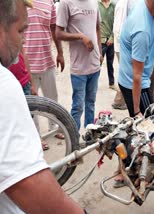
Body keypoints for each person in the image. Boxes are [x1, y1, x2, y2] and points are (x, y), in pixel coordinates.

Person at [0, 0, 84, 213]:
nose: (22, 42)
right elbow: (30, 184)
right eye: (20, 31)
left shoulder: (49, 5)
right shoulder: (3, 84)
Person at [118, 0, 154, 117]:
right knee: (151, 127)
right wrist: (136, 111)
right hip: (135, 85)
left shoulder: (146, 7)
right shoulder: (142, 29)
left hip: (132, 79)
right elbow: (137, 76)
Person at [56, 0, 102, 130]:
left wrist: (99, 51)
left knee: (91, 104)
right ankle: (74, 140)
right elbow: (58, 33)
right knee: (77, 106)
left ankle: (89, 136)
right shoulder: (66, 3)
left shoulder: (94, 2)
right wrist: (80, 36)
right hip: (79, 68)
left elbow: (97, 27)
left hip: (94, 65)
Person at [24, 0, 65, 140]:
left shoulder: (49, 2)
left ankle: (54, 128)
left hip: (47, 60)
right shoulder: (19, 2)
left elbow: (54, 29)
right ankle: (36, 137)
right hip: (28, 64)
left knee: (52, 98)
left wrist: (60, 53)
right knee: (32, 104)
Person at [111, 0, 136, 110]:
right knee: (126, 73)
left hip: (120, 43)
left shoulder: (120, 3)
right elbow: (120, 26)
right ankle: (119, 100)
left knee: (124, 72)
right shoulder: (123, 4)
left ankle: (121, 99)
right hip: (122, 44)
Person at [99, 0, 116, 90]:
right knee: (98, 62)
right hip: (100, 40)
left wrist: (112, 38)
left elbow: (116, 23)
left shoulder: (113, 5)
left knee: (110, 63)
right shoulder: (97, 4)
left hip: (110, 40)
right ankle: (93, 83)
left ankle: (112, 83)